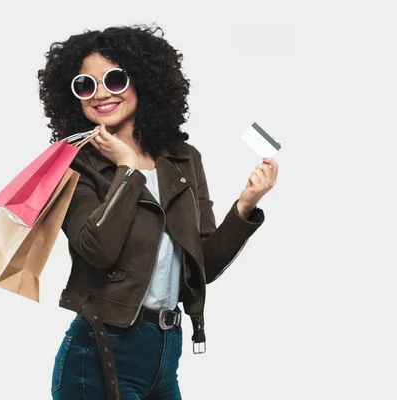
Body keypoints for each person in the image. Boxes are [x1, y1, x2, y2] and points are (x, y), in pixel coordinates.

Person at [37, 24, 279, 400]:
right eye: (86, 85)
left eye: (114, 80)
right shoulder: (75, 165)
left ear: (144, 82)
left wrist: (245, 205)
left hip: (166, 355)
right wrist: (127, 169)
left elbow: (202, 268)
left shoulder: (183, 159)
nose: (100, 94)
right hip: (99, 355)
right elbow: (97, 247)